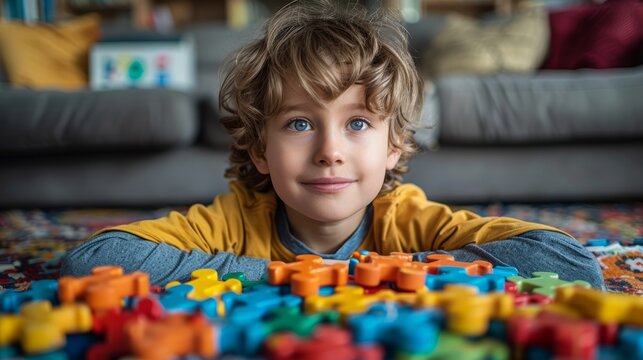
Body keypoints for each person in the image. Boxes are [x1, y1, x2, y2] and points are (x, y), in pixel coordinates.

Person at [61, 0, 604, 289]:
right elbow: (92, 260)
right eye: (299, 124)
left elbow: (571, 262)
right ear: (258, 149)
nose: (329, 150)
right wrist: (290, 276)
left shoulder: (406, 219)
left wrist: (395, 269)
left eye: (358, 124)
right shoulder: (233, 221)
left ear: (394, 145)